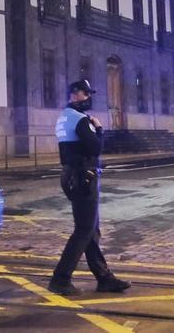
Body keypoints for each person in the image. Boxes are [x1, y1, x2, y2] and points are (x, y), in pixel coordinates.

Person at [48, 79, 131, 295]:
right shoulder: (80, 119)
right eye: (85, 94)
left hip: (70, 175)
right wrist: (99, 128)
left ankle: (104, 278)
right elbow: (96, 148)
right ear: (74, 94)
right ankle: (60, 279)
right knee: (84, 230)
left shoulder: (63, 117)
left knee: (90, 230)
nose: (88, 97)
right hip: (84, 177)